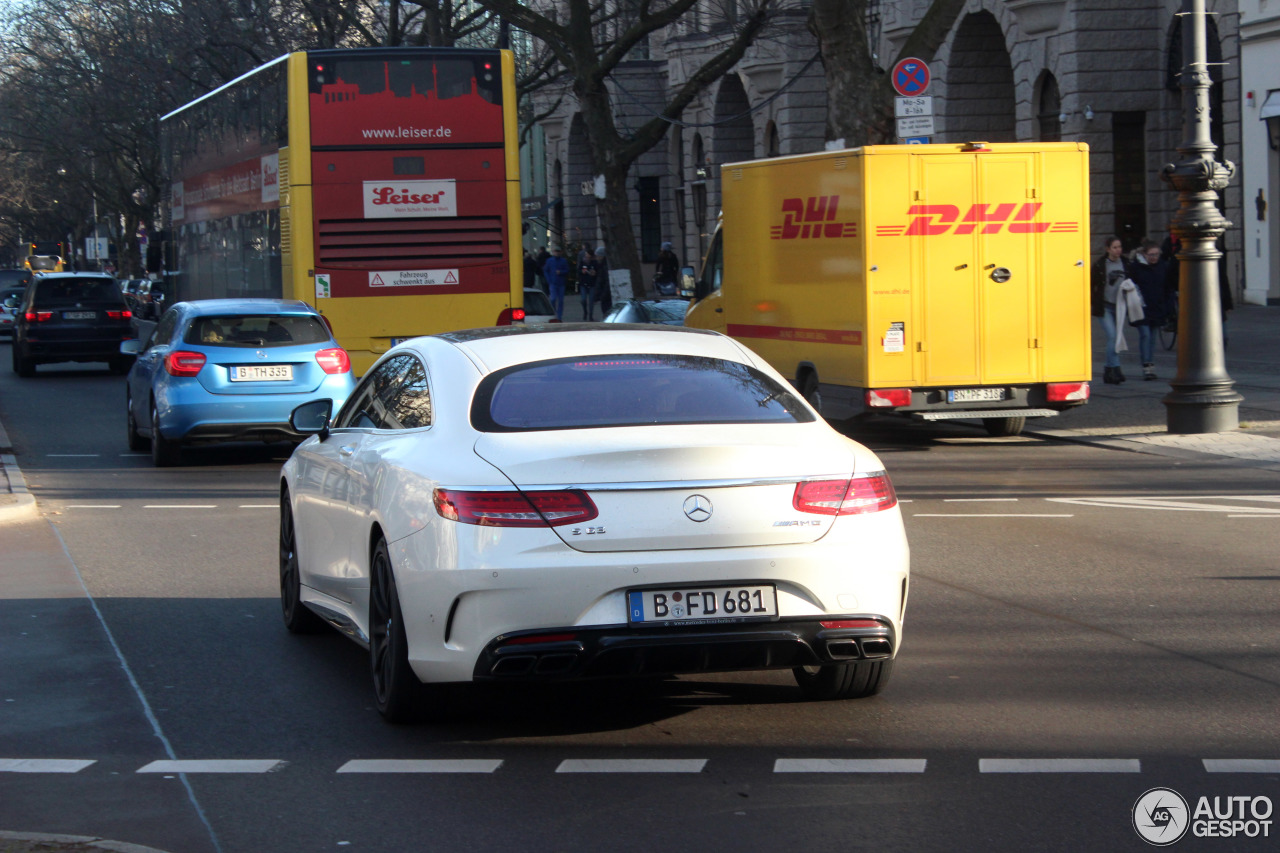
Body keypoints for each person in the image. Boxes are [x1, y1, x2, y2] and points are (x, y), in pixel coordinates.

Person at [1091, 235, 1132, 384]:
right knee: (1113, 336)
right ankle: (1114, 369)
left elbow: (1133, 280)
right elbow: (1092, 283)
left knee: (1117, 338)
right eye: (1114, 247)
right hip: (1105, 306)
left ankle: (1110, 370)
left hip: (1120, 306)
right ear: (1108, 249)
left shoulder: (1126, 263)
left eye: (1119, 247)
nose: (1118, 250)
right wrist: (1093, 301)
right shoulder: (1101, 264)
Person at [1128, 240, 1171, 380]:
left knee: (1152, 337)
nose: (1154, 257)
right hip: (1140, 307)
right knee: (1145, 334)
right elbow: (1129, 286)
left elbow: (1167, 288)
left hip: (1156, 306)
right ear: (1144, 254)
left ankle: (1150, 363)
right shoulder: (1135, 267)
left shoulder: (1162, 266)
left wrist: (1168, 308)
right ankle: (1146, 364)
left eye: (1157, 255)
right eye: (1151, 255)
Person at [541, 246, 569, 321]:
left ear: (560, 252)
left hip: (561, 283)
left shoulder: (563, 261)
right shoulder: (550, 261)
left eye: (558, 251)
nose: (557, 253)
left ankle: (559, 316)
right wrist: (549, 280)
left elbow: (567, 270)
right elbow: (546, 270)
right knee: (553, 299)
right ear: (553, 252)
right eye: (555, 251)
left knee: (560, 300)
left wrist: (561, 272)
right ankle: (553, 314)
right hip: (553, 283)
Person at [577, 248, 600, 320]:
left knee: (591, 301)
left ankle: (590, 315)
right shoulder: (582, 262)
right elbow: (578, 271)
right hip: (583, 283)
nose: (586, 257)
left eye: (588, 255)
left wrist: (594, 273)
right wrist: (581, 272)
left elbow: (597, 272)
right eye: (586, 255)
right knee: (583, 299)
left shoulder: (594, 263)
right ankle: (585, 311)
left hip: (592, 283)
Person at [593, 246, 612, 317]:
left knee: (606, 313)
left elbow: (606, 282)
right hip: (604, 295)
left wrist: (602, 296)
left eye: (597, 256)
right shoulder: (602, 266)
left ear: (601, 256)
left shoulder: (604, 267)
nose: (596, 258)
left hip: (606, 297)